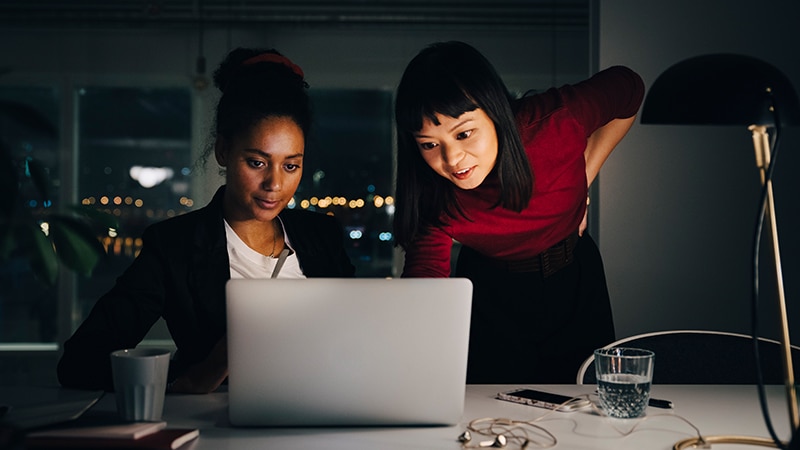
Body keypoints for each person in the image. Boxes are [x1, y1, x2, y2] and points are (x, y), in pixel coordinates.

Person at [57, 48, 355, 394]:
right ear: (224, 151)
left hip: (326, 416)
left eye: (291, 166)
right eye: (257, 162)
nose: (275, 184)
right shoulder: (174, 247)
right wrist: (196, 376)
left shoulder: (322, 236)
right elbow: (79, 363)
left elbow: (355, 337)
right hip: (221, 429)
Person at [393, 41, 644, 384]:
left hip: (574, 278)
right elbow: (426, 283)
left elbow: (629, 88)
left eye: (464, 133)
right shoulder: (432, 195)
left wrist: (585, 173)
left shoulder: (555, 121)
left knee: (588, 402)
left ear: (495, 113)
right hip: (490, 295)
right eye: (429, 144)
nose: (452, 159)